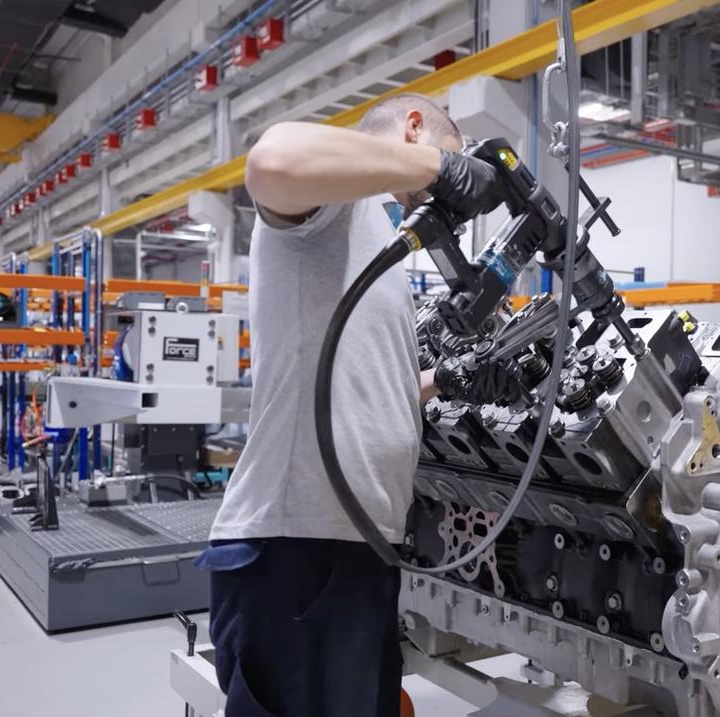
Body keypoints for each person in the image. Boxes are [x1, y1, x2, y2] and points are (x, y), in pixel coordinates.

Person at [197, 93, 505, 717]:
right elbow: (271, 160)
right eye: (451, 154)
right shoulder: (336, 204)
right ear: (415, 127)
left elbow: (354, 379)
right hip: (298, 549)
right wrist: (438, 170)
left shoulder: (379, 238)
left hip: (355, 550)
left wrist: (446, 378)